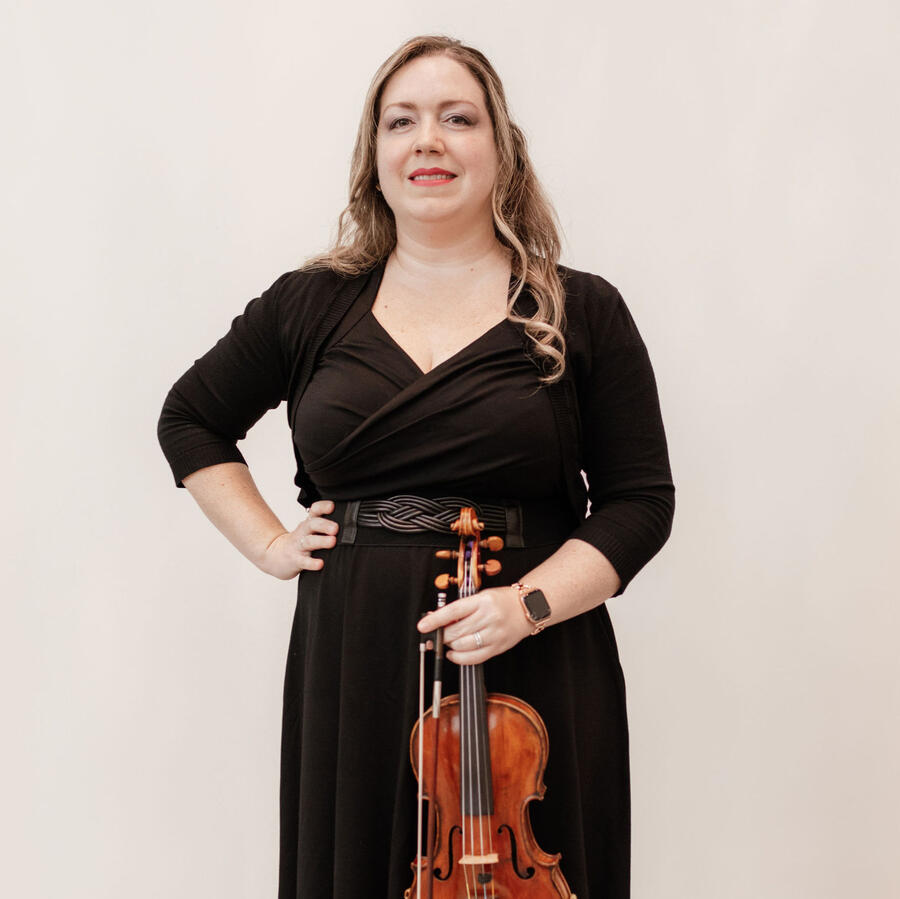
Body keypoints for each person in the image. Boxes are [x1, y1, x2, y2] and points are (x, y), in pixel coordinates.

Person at [157, 34, 675, 899]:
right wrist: (268, 544)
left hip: (533, 656)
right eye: (402, 121)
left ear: (501, 150)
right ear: (376, 156)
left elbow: (639, 502)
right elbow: (191, 418)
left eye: (457, 118)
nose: (427, 140)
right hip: (355, 652)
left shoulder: (579, 307)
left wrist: (526, 605)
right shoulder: (308, 304)